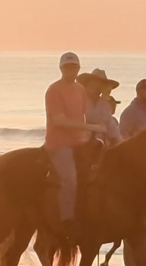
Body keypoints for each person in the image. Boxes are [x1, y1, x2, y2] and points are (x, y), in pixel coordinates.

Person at [44, 52, 105, 239]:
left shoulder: (80, 90)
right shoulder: (54, 90)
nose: (70, 70)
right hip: (59, 143)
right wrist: (89, 126)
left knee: (103, 164)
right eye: (67, 67)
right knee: (70, 177)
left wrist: (91, 132)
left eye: (74, 67)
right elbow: (60, 121)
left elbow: (82, 115)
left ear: (78, 69)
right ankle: (67, 219)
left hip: (80, 141)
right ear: (61, 69)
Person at [77, 68, 122, 146]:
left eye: (98, 84)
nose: (94, 87)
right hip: (82, 142)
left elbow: (109, 123)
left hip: (102, 143)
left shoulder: (104, 103)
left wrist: (118, 141)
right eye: (92, 84)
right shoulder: (79, 100)